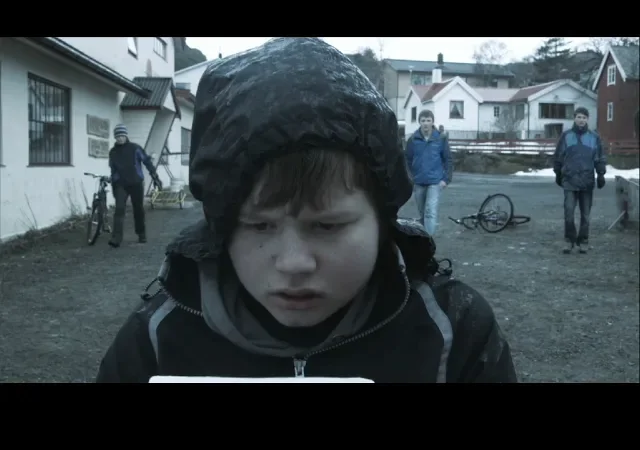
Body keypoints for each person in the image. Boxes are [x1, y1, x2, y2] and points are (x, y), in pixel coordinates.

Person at [96, 38, 517, 383]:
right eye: (259, 225)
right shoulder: (156, 340)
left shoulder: (454, 332)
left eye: (328, 226)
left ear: (383, 219)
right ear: (221, 226)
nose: (294, 263)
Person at [553, 107, 606, 254]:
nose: (581, 120)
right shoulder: (566, 136)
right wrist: (557, 172)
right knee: (569, 213)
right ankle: (569, 240)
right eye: (579, 117)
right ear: (574, 118)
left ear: (587, 119)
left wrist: (601, 174)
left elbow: (600, 157)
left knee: (585, 215)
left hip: (587, 181)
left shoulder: (594, 137)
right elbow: (558, 156)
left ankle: (583, 240)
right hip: (569, 180)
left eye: (584, 117)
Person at [107, 124, 161, 248]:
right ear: (115, 137)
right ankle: (116, 238)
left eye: (122, 135)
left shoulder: (135, 148)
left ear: (126, 135)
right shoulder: (113, 152)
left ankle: (141, 234)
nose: (120, 138)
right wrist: (114, 182)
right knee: (119, 209)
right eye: (118, 136)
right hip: (120, 184)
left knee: (138, 209)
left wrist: (155, 177)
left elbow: (147, 161)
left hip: (136, 183)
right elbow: (113, 169)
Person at [404, 110, 452, 236]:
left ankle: (428, 240)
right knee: (423, 214)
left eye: (428, 120)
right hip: (418, 181)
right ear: (419, 122)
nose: (426, 123)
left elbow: (447, 159)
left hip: (435, 182)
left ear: (432, 122)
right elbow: (407, 160)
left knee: (430, 212)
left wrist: (446, 179)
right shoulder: (413, 140)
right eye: (423, 120)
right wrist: (410, 177)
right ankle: (424, 239)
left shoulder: (440, 138)